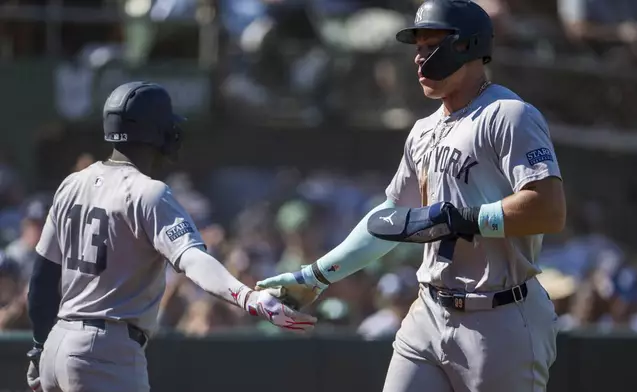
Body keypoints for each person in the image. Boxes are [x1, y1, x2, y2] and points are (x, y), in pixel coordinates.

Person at [256, 1, 566, 391]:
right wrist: (316, 276)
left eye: (430, 44)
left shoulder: (508, 114)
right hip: (429, 311)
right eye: (416, 46)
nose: (419, 58)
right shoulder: (422, 130)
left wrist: (463, 219)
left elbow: (548, 209)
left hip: (501, 315)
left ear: (467, 46)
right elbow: (392, 217)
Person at [26, 81, 316, 392]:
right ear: (157, 133)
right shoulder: (149, 193)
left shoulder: (72, 184)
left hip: (58, 343)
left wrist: (39, 347)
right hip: (105, 352)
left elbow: (42, 280)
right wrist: (248, 297)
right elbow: (193, 260)